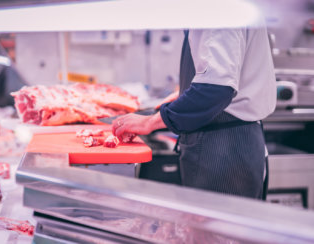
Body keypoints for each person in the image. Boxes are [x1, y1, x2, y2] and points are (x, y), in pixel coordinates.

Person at [112, 21, 276, 199]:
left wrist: (150, 121)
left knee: (217, 225)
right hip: (229, 140)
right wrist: (184, 95)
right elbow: (225, 76)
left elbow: (215, 89)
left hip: (223, 149)